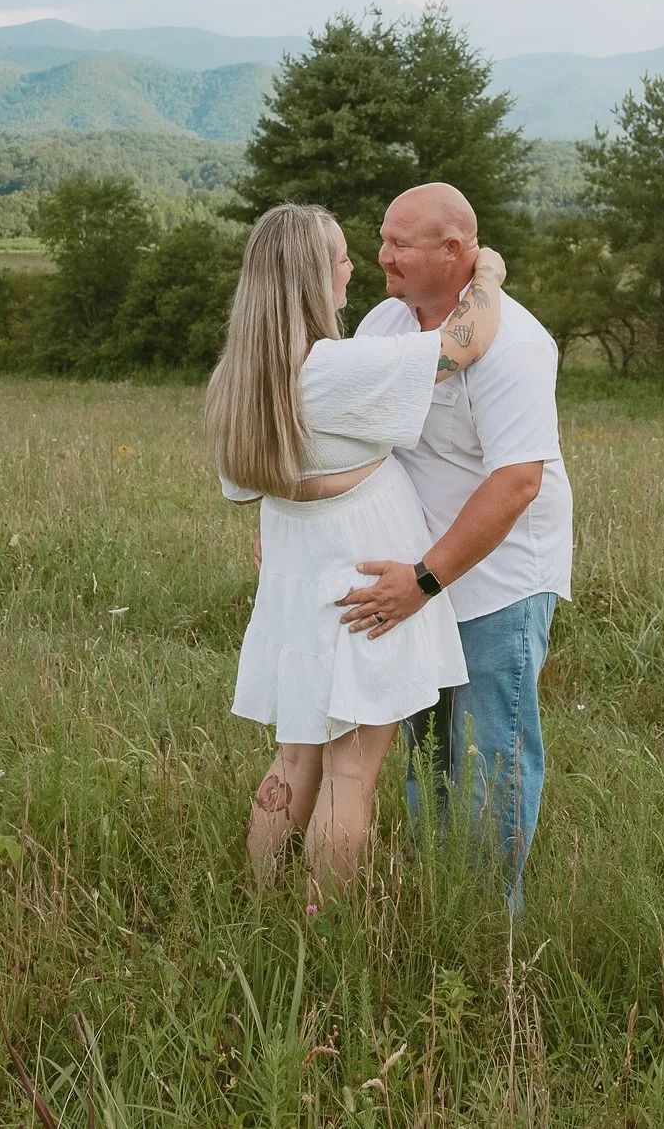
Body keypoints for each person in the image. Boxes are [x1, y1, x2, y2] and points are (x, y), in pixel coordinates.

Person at [206, 201, 509, 903]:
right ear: (314, 278)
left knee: (293, 757)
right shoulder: (333, 366)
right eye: (341, 257)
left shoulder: (239, 378)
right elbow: (462, 341)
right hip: (362, 586)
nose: (353, 268)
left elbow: (250, 492)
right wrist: (486, 272)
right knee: (351, 773)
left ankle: (259, 907)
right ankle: (326, 929)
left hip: (297, 581)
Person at [336, 183, 573, 907]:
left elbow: (516, 484)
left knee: (491, 758)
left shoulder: (519, 345)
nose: (382, 256)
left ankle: (488, 926)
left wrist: (425, 580)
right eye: (381, 239)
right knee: (428, 755)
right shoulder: (386, 321)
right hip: (413, 582)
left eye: (398, 243)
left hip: (494, 583)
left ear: (455, 250)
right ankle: (440, 899)